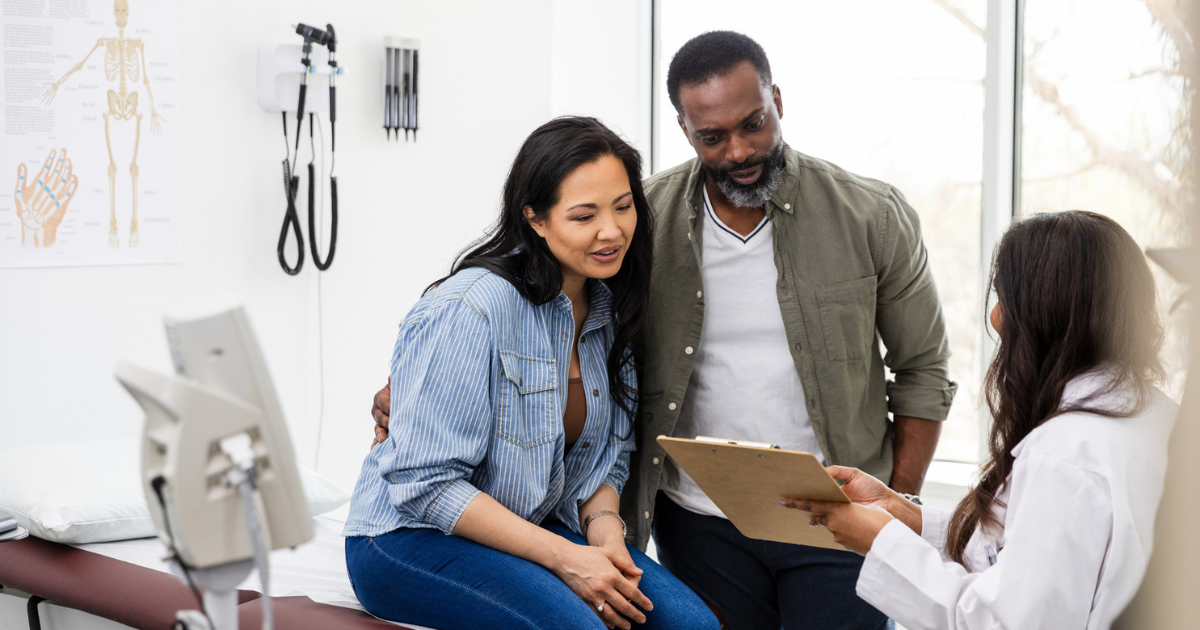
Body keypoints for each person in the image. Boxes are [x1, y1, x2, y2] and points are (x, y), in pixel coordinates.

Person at [374, 32, 955, 629]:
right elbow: (506, 317)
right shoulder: (640, 223)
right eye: (712, 136)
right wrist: (411, 393)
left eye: (753, 123)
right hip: (698, 518)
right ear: (684, 130)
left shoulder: (871, 215)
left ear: (777, 99)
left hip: (835, 516)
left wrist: (896, 508)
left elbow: (923, 374)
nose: (737, 150)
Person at [343, 116, 719, 630]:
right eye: (584, 216)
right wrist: (563, 557)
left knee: (693, 626)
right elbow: (424, 483)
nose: (612, 231)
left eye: (624, 206)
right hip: (407, 537)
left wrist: (605, 535)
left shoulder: (611, 307)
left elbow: (608, 460)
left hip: (526, 530)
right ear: (536, 219)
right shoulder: (470, 309)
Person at [784, 211, 1178, 629]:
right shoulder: (1154, 416)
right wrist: (904, 516)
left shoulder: (1064, 453)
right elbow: (1022, 551)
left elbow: (1002, 623)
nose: (995, 317)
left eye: (1004, 297)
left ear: (1040, 311)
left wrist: (881, 541)